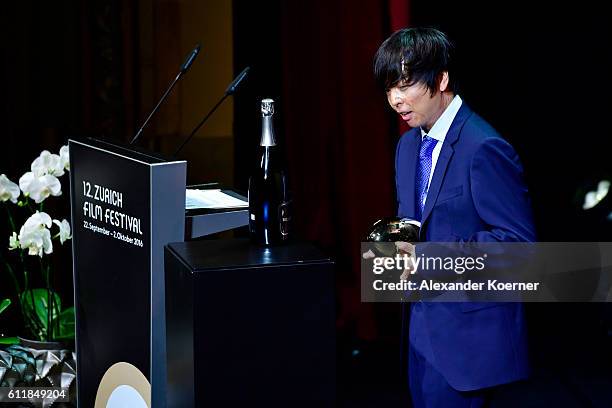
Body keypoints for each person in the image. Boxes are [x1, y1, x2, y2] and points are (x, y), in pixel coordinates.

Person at [373, 27, 536, 407]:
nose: (396, 99)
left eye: (405, 84)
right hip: (418, 336)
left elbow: (521, 250)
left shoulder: (485, 147)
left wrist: (427, 257)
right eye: (388, 88)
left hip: (469, 347)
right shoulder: (407, 145)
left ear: (441, 78)